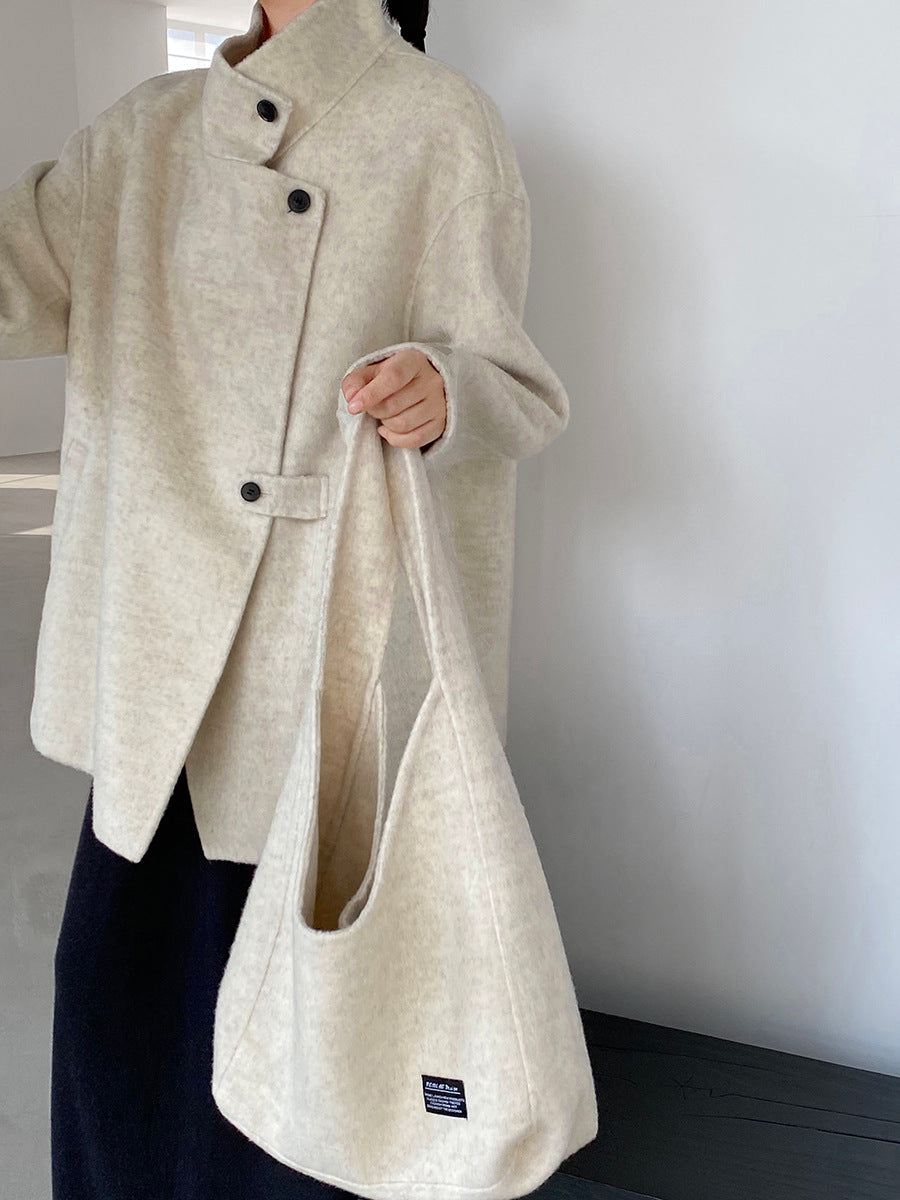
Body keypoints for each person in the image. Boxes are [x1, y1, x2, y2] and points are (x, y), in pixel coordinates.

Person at [1, 0, 571, 1196]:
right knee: (124, 1026)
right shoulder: (145, 133)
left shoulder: (440, 123)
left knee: (308, 1054)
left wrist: (446, 389)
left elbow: (517, 388)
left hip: (310, 664)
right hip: (155, 657)